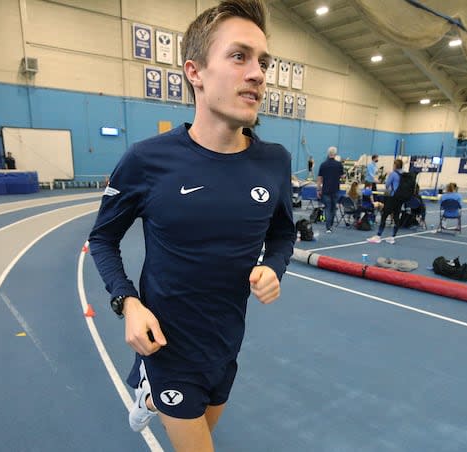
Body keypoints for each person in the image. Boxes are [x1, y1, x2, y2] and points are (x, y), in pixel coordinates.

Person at [88, 2, 296, 450]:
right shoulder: (147, 161)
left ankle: (147, 394)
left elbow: (283, 233)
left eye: (264, 61)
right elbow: (103, 237)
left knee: (206, 429)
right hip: (166, 347)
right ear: (195, 72)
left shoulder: (274, 162)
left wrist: (275, 266)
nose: (259, 73)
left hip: (225, 344)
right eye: (239, 56)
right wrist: (128, 304)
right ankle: (153, 385)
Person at [367, 158, 404, 244]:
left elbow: (387, 185)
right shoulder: (404, 175)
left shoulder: (393, 174)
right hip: (400, 199)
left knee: (384, 216)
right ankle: (393, 237)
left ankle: (378, 236)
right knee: (396, 217)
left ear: (395, 165)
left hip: (391, 197)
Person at [317, 146, 344, 233]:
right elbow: (342, 176)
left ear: (328, 154)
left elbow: (319, 178)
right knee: (333, 208)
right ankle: (330, 225)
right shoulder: (339, 165)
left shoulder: (323, 164)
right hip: (335, 189)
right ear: (335, 154)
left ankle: (328, 227)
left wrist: (318, 189)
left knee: (327, 208)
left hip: (325, 189)